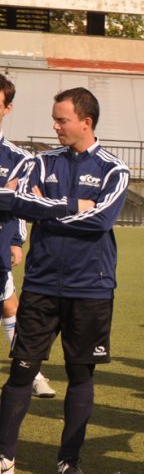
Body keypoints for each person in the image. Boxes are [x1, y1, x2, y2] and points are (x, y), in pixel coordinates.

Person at [0, 87, 130, 474]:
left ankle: (68, 460)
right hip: (41, 285)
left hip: (91, 288)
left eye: (62, 120)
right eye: (55, 119)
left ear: (85, 122)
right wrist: (72, 206)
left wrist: (47, 212)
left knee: (81, 375)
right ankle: (4, 456)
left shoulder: (114, 170)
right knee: (22, 372)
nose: (55, 126)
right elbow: (15, 201)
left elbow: (101, 221)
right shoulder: (41, 162)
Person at [0, 75, 56, 399]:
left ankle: (30, 372)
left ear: (7, 108)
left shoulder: (18, 158)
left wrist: (16, 241)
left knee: (9, 304)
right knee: (9, 304)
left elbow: (19, 204)